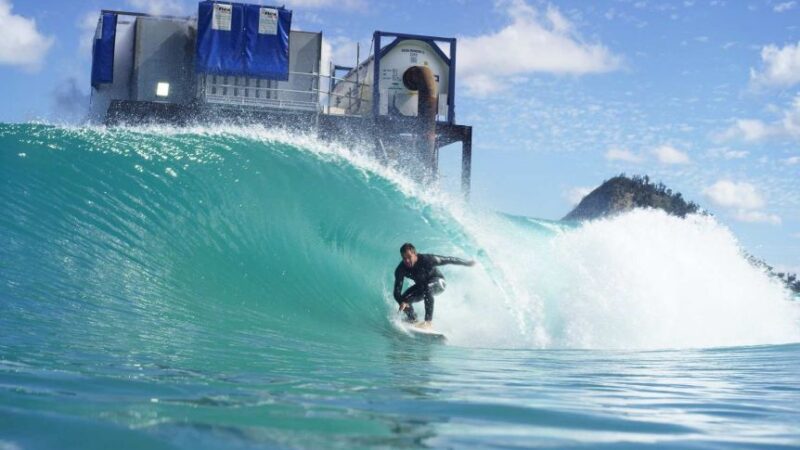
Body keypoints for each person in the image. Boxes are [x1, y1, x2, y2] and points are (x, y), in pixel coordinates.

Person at [393, 242, 475, 329]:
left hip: (438, 282)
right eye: (404, 258)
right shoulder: (401, 269)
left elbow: (450, 259)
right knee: (405, 298)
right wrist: (403, 302)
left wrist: (468, 263)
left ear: (415, 254)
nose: (407, 261)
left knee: (427, 289)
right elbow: (397, 293)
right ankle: (412, 319)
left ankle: (428, 323)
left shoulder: (428, 259)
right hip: (422, 286)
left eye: (409, 257)